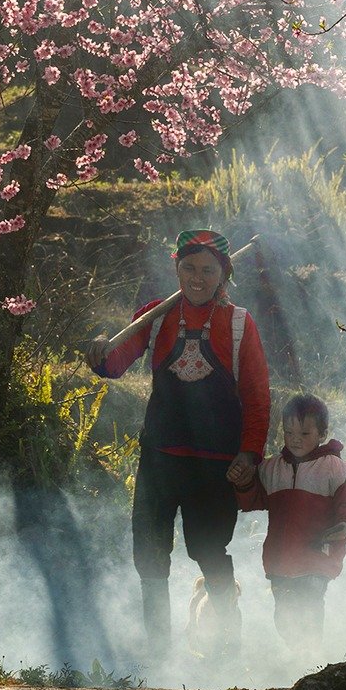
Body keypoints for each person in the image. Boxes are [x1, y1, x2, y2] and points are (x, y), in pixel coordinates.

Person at [87, 229, 270, 652]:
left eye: (208, 270)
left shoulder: (239, 325)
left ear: (224, 273)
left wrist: (250, 451)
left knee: (208, 549)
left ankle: (226, 633)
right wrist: (99, 351)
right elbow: (115, 363)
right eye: (188, 267)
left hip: (215, 462)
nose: (197, 277)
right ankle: (158, 652)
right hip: (160, 458)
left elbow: (257, 396)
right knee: (150, 553)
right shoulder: (156, 316)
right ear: (176, 267)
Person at [235, 394, 346, 650]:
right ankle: (298, 658)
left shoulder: (338, 470)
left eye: (304, 433)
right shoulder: (272, 468)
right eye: (289, 432)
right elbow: (252, 501)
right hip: (280, 558)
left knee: (309, 608)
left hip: (317, 556)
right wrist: (243, 482)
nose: (295, 439)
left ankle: (310, 662)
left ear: (322, 434)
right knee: (283, 616)